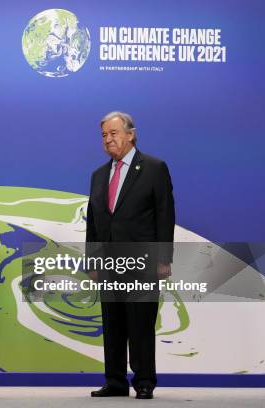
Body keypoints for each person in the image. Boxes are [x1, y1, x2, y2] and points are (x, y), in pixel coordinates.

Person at [86, 111, 175, 400]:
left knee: (140, 324)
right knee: (112, 325)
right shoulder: (99, 175)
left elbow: (164, 215)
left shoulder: (154, 168)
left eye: (113, 133)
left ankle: (144, 381)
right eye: (104, 135)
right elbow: (94, 221)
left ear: (130, 134)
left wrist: (164, 259)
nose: (108, 139)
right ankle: (115, 381)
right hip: (109, 262)